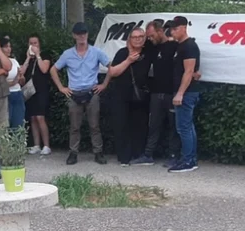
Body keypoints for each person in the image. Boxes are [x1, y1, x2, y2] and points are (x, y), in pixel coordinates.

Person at [50, 22, 109, 166]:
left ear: (87, 34)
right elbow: (53, 70)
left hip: (91, 92)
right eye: (79, 34)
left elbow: (111, 67)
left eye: (84, 33)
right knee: (74, 126)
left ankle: (98, 152)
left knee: (94, 125)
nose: (82, 36)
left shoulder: (96, 52)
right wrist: (61, 87)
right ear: (74, 35)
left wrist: (104, 85)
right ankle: (73, 153)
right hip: (74, 93)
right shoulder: (68, 54)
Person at [131, 20, 182, 167]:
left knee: (173, 126)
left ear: (160, 31)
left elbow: (186, 63)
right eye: (148, 36)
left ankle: (173, 156)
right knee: (153, 125)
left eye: (152, 35)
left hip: (171, 93)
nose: (150, 39)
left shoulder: (174, 46)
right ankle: (148, 155)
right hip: (155, 93)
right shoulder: (151, 47)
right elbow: (132, 42)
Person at [102, 27, 150, 166]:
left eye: (141, 36)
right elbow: (113, 72)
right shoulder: (122, 53)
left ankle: (137, 155)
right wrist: (129, 60)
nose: (138, 39)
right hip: (121, 95)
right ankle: (124, 157)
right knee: (121, 125)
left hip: (140, 96)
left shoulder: (148, 52)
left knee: (139, 125)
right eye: (135, 37)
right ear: (130, 39)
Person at [169, 16, 201, 173]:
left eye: (175, 29)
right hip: (186, 91)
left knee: (183, 127)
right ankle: (191, 158)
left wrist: (180, 93)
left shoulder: (189, 46)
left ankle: (188, 160)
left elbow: (188, 71)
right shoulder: (180, 46)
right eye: (171, 29)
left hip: (187, 92)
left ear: (184, 28)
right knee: (187, 126)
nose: (172, 32)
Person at [20, 34, 52, 156]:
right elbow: (21, 72)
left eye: (35, 43)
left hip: (41, 90)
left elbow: (44, 69)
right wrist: (28, 58)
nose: (33, 45)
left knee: (40, 117)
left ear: (39, 44)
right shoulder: (27, 57)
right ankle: (36, 145)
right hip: (30, 91)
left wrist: (38, 55)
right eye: (31, 43)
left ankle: (46, 145)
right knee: (33, 117)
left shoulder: (45, 55)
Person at [0, 36, 25, 129]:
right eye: (6, 47)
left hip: (17, 93)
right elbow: (1, 82)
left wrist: (20, 76)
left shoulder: (14, 61)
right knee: (6, 122)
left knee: (18, 122)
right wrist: (14, 81)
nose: (9, 49)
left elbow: (22, 81)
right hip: (6, 95)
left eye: (10, 46)